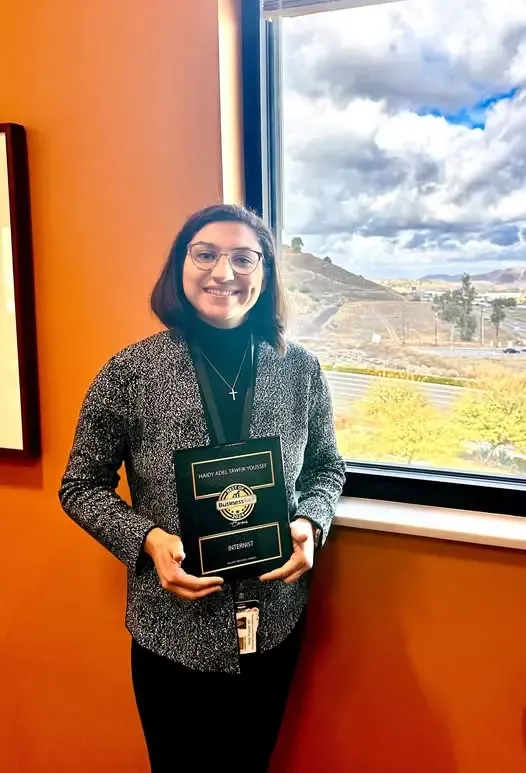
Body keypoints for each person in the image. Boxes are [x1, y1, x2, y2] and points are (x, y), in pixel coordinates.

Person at [58, 203, 346, 773]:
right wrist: (146, 539)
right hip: (173, 628)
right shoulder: (130, 372)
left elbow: (326, 468)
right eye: (206, 254)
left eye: (244, 258)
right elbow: (80, 486)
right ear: (180, 266)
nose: (223, 272)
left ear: (264, 273)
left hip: (275, 620)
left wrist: (311, 523)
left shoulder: (301, 370)